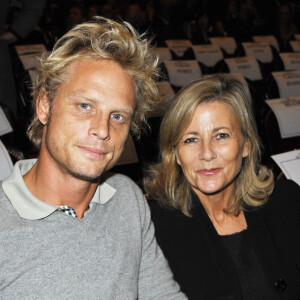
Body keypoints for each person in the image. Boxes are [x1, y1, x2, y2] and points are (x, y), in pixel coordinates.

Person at [0, 17, 186, 299]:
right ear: (44, 106)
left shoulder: (126, 198)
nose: (102, 130)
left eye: (118, 116)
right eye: (85, 106)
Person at [145, 74, 300, 299]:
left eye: (221, 135)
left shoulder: (288, 202)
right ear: (176, 154)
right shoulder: (154, 231)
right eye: (191, 139)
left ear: (246, 145)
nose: (207, 153)